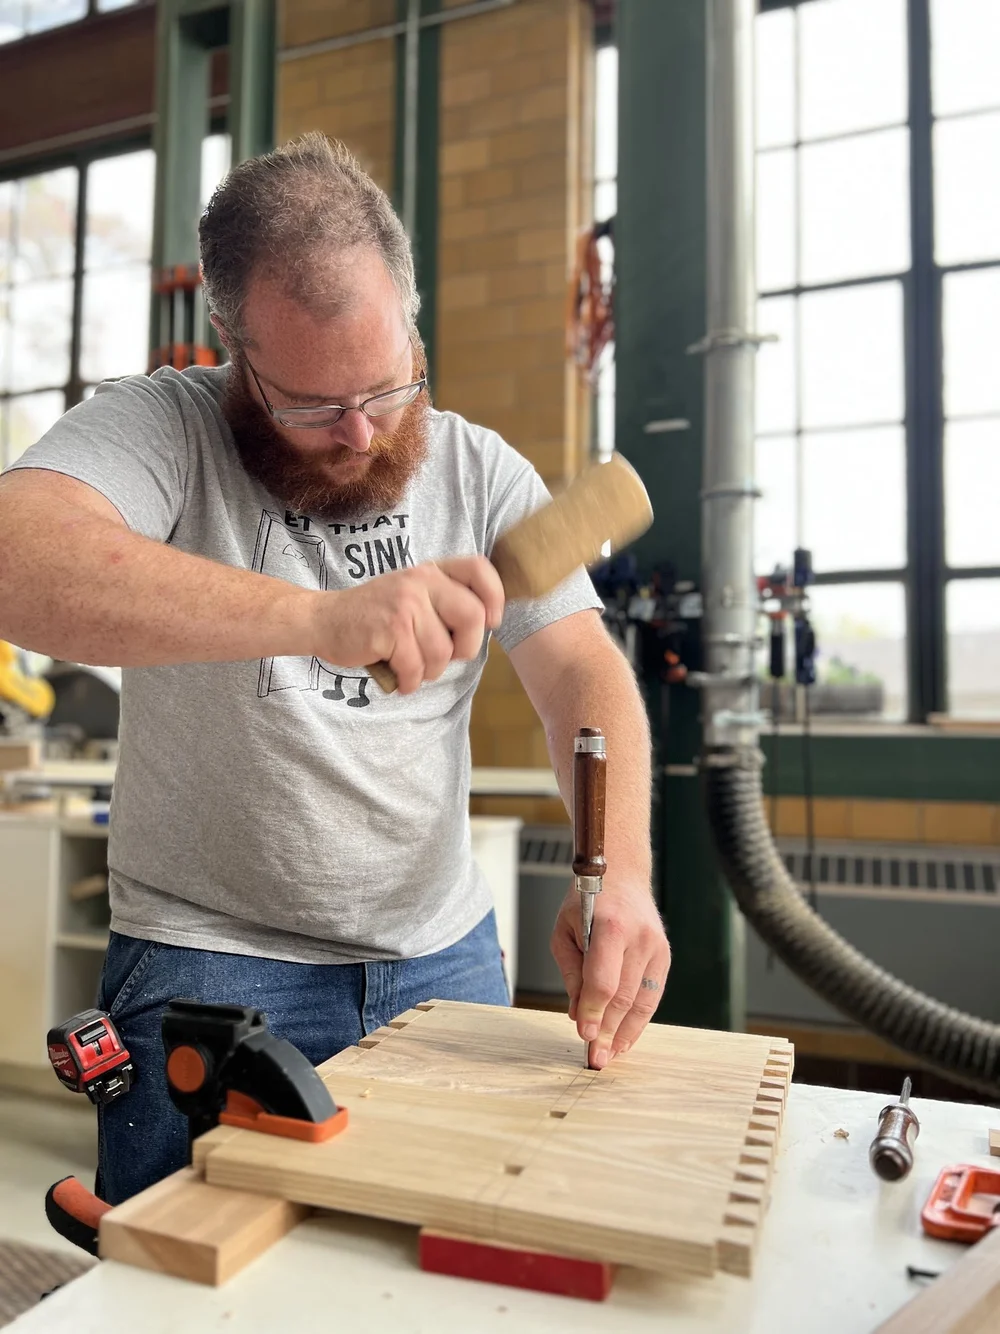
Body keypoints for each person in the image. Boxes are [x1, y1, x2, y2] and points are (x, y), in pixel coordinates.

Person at [0, 134, 669, 1204]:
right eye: (311, 404)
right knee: (192, 1287)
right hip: (209, 963)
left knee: (446, 1270)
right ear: (235, 344)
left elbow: (580, 672)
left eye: (387, 382)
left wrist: (620, 870)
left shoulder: (479, 467)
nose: (359, 430)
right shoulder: (165, 428)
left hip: (442, 957)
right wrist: (318, 616)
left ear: (411, 312)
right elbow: (15, 560)